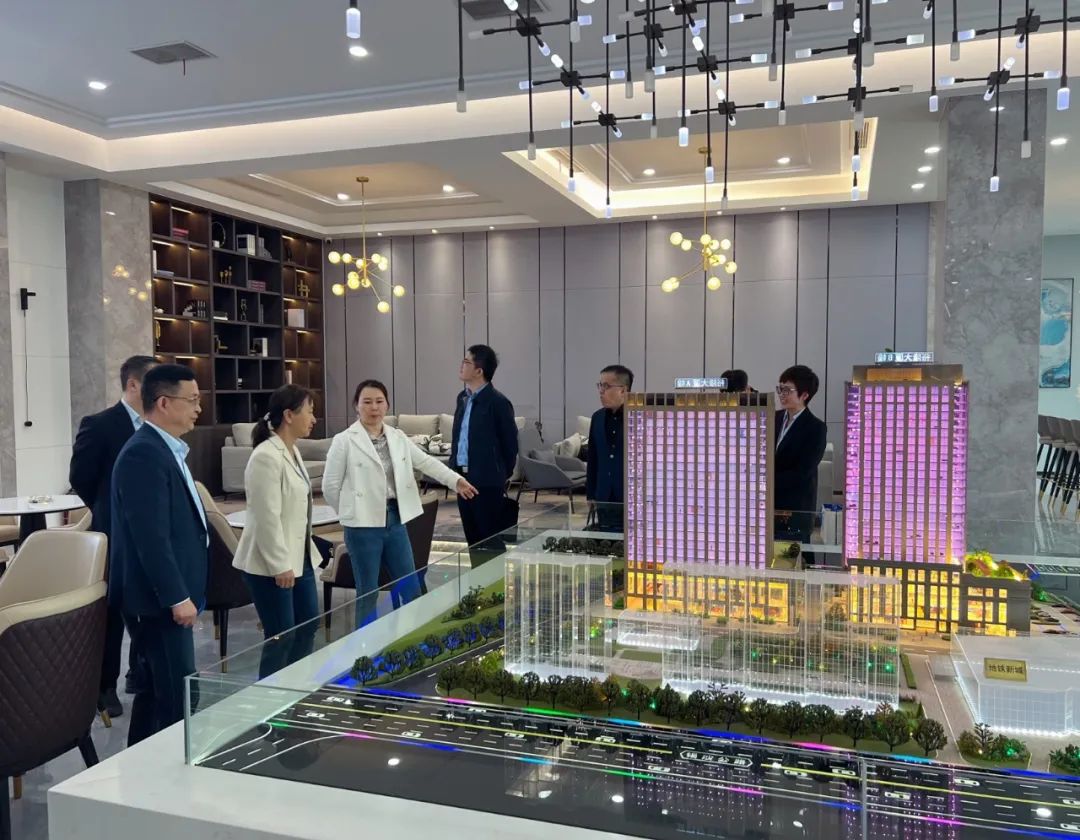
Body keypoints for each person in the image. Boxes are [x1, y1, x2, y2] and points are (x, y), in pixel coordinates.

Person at [324, 380, 477, 628]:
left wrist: (455, 480)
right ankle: (366, 646)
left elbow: (426, 462)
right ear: (356, 406)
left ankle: (413, 640)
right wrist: (351, 513)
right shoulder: (344, 440)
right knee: (367, 592)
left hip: (395, 521)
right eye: (367, 402)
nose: (374, 407)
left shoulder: (397, 437)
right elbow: (330, 486)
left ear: (387, 405)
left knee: (411, 585)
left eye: (379, 401)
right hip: (362, 527)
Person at [110, 364, 208, 746]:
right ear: (164, 403)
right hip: (157, 602)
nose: (198, 408)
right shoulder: (144, 454)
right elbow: (150, 537)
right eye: (192, 400)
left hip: (166, 597)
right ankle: (166, 769)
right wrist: (176, 596)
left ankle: (138, 768)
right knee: (178, 696)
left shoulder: (167, 448)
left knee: (156, 691)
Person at [68, 354, 157, 719]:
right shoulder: (101, 424)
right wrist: (107, 511)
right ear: (133, 384)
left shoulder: (159, 424)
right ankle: (105, 686)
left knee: (149, 602)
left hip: (151, 532)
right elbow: (81, 477)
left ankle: (141, 671)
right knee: (113, 610)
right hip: (113, 534)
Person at [232, 385, 321, 678]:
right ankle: (270, 700)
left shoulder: (291, 450)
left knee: (308, 625)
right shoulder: (265, 456)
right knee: (282, 636)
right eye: (309, 411)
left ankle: (296, 690)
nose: (313, 419)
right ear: (288, 415)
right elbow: (265, 516)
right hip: (272, 565)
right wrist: (280, 565)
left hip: (300, 557)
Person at [449, 345, 518, 565]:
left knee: (490, 541)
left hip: (487, 483)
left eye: (466, 362)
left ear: (479, 370)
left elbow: (510, 445)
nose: (461, 365)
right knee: (473, 540)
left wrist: (499, 475)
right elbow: (458, 437)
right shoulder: (462, 398)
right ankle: (478, 583)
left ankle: (495, 583)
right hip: (462, 480)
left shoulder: (498, 402)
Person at [774, 364, 828, 550]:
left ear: (805, 395)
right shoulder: (773, 418)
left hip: (795, 508)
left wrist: (765, 482)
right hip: (769, 505)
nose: (782, 394)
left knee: (793, 557)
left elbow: (803, 472)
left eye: (787, 390)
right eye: (780, 388)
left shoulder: (815, 428)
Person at [586, 364, 633, 532]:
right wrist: (591, 494)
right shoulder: (597, 418)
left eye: (606, 386)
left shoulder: (639, 417)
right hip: (603, 495)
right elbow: (593, 459)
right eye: (600, 385)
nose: (601, 391)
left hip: (631, 497)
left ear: (623, 390)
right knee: (606, 540)